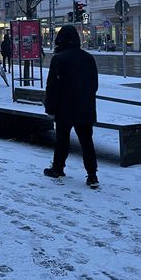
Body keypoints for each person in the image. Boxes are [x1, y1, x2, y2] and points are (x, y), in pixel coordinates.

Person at [43, 25, 99, 188]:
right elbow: (94, 85)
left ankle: (58, 168)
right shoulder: (88, 58)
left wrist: (50, 108)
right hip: (85, 107)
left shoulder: (59, 59)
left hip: (64, 108)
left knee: (62, 140)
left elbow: (52, 87)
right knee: (87, 142)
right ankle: (92, 175)